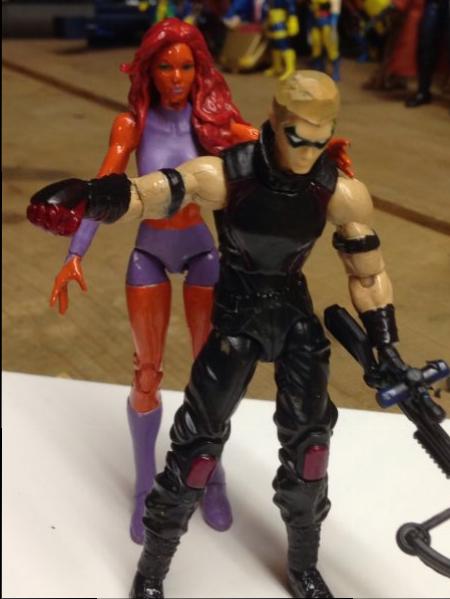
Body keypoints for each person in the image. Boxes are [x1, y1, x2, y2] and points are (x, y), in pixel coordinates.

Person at [28, 70, 406, 598]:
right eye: (297, 137)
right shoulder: (229, 173)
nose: (307, 152)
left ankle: (303, 568)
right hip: (237, 318)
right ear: (275, 121)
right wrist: (92, 196)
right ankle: (152, 572)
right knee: (196, 451)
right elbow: (151, 194)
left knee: (310, 452)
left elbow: (368, 273)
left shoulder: (337, 190)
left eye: (320, 141)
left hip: (293, 316)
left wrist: (384, 344)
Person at [43, 18, 258, 545]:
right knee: (147, 374)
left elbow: (275, 148)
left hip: (202, 252)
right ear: (149, 69)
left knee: (212, 377)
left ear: (199, 69)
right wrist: (75, 254)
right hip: (150, 255)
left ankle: (212, 477)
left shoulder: (215, 121)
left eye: (186, 66)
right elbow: (103, 191)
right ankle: (146, 488)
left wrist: (321, 154)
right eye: (166, 66)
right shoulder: (131, 125)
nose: (177, 77)